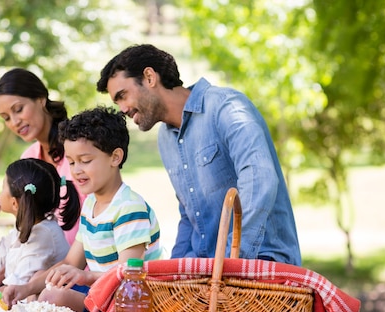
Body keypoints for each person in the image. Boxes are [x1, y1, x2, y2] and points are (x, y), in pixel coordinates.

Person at [96, 44, 302, 265]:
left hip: (259, 262)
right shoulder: (166, 139)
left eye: (123, 96)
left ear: (149, 77)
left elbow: (260, 180)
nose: (123, 109)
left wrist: (232, 261)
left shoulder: (226, 107)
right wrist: (173, 270)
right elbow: (189, 215)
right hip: (208, 271)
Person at [3, 106, 163, 312]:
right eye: (71, 162)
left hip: (129, 310)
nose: (76, 171)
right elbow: (71, 261)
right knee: (44, 284)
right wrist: (25, 288)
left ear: (115, 157)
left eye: (85, 161)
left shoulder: (129, 208)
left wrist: (85, 277)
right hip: (102, 297)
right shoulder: (91, 206)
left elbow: (129, 275)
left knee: (53, 297)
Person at [0, 68, 85, 246]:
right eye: (6, 118)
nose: (14, 122)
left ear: (41, 99)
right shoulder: (28, 157)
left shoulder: (78, 149)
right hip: (43, 262)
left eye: (18, 109)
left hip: (85, 265)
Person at [0, 158, 80, 291]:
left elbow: (17, 288)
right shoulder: (24, 227)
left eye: (3, 187)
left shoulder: (43, 234)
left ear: (14, 203)